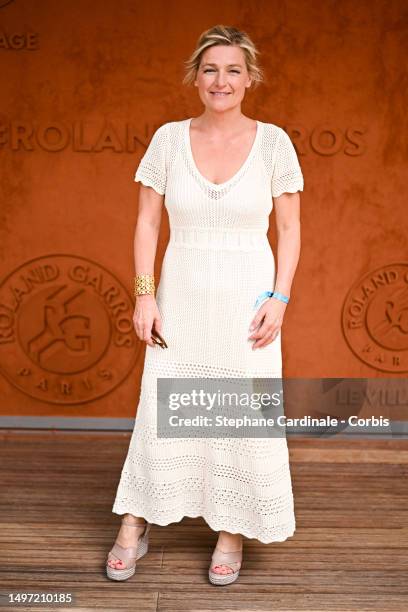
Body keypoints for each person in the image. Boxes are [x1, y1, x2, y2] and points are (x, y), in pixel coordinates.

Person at [106, 24, 304, 586]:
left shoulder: (274, 143)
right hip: (182, 293)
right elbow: (147, 222)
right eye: (211, 69)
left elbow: (289, 229)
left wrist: (280, 298)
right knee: (161, 406)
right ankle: (133, 524)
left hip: (249, 299)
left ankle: (231, 531)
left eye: (234, 70)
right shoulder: (168, 139)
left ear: (250, 79)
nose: (222, 80)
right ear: (196, 77)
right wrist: (144, 296)